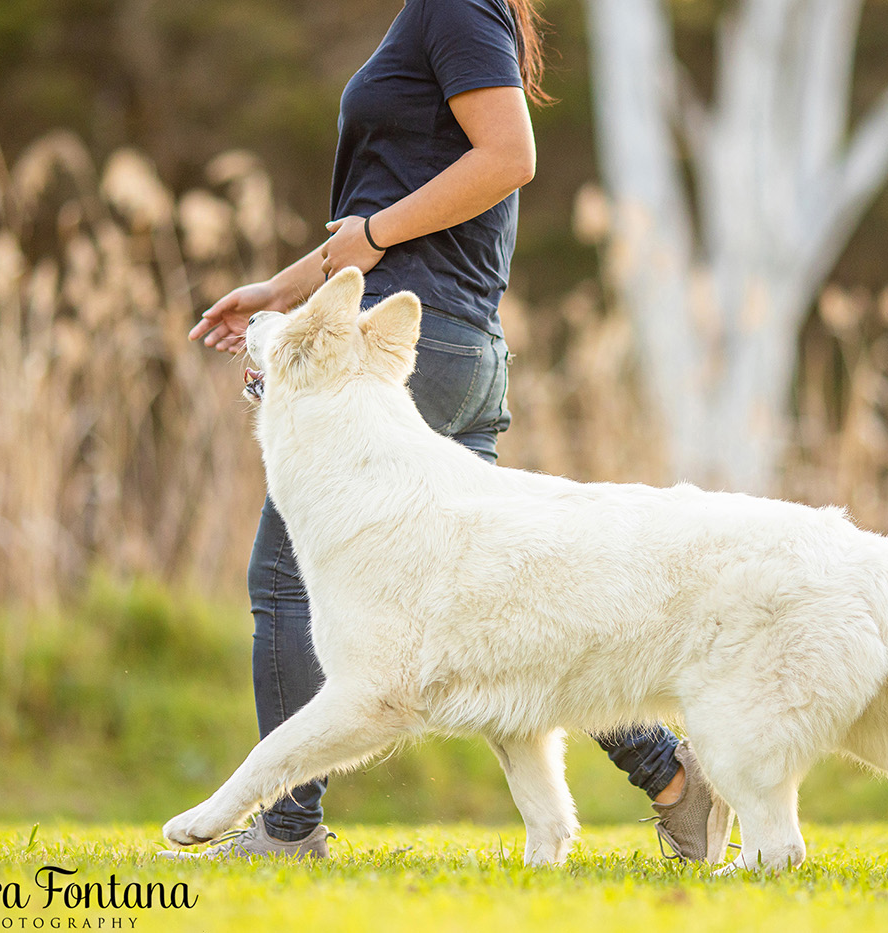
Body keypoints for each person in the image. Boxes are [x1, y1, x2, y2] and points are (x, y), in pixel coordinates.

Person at [177, 0, 730, 862]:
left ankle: (286, 829)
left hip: (407, 353)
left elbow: (507, 160)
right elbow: (371, 229)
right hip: (451, 345)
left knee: (285, 577)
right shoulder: (455, 11)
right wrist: (280, 292)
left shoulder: (453, 4)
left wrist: (373, 234)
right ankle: (672, 782)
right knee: (513, 607)